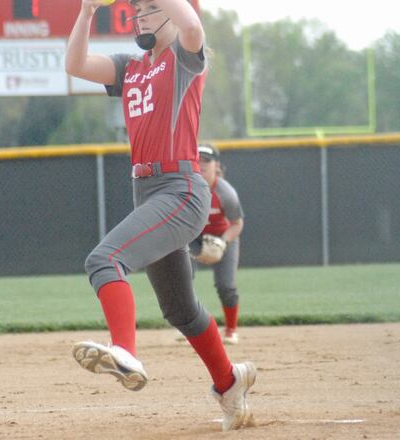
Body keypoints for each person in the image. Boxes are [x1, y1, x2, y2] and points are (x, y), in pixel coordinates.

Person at [65, 0, 256, 431]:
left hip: (181, 189)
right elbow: (75, 64)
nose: (141, 16)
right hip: (148, 192)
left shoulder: (186, 56)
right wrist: (85, 12)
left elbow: (191, 22)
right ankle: (231, 384)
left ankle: (125, 352)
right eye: (138, 9)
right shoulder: (130, 66)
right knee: (180, 310)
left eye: (151, 7)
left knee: (103, 259)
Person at [188, 143, 245, 345]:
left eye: (207, 161)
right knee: (181, 281)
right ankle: (187, 327)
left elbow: (237, 224)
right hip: (192, 238)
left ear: (216, 165)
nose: (202, 165)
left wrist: (222, 242)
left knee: (226, 286)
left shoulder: (225, 193)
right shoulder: (186, 189)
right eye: (198, 160)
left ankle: (231, 330)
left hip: (223, 238)